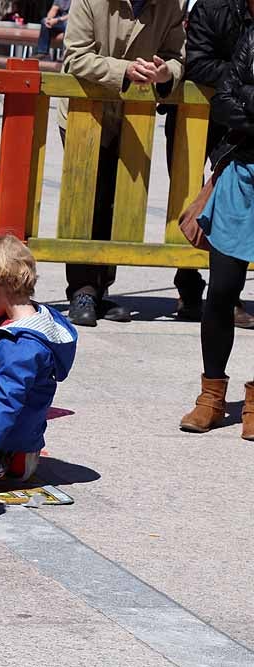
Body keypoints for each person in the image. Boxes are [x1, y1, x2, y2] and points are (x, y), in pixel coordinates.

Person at [59, 0, 186, 327]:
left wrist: (164, 72)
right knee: (88, 201)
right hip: (85, 112)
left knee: (116, 204)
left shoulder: (169, 5)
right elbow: (75, 55)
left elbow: (178, 56)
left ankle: (100, 288)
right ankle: (82, 290)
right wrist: (124, 70)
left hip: (133, 117)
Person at [0, 236, 78, 483]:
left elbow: (4, 403)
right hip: (22, 436)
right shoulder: (33, 318)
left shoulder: (22, 346)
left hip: (3, 440)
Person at [179, 26, 254, 441]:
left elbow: (237, 97)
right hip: (239, 174)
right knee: (222, 289)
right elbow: (223, 104)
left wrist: (247, 98)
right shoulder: (251, 40)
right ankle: (211, 395)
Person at [164, 0, 254, 327]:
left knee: (235, 216)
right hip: (195, 118)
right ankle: (188, 285)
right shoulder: (212, 7)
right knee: (187, 201)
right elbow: (197, 64)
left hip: (240, 123)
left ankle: (228, 294)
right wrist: (247, 78)